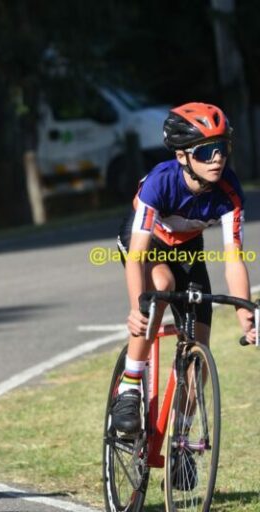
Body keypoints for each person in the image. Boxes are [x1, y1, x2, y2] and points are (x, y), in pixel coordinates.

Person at [112, 102, 255, 488]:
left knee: (199, 351)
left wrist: (246, 315)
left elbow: (234, 259)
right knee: (160, 288)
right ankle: (130, 384)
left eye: (223, 148)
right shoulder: (161, 182)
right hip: (147, 242)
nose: (218, 158)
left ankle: (181, 442)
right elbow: (137, 256)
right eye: (207, 151)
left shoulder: (229, 191)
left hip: (188, 249)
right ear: (182, 156)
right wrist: (136, 308)